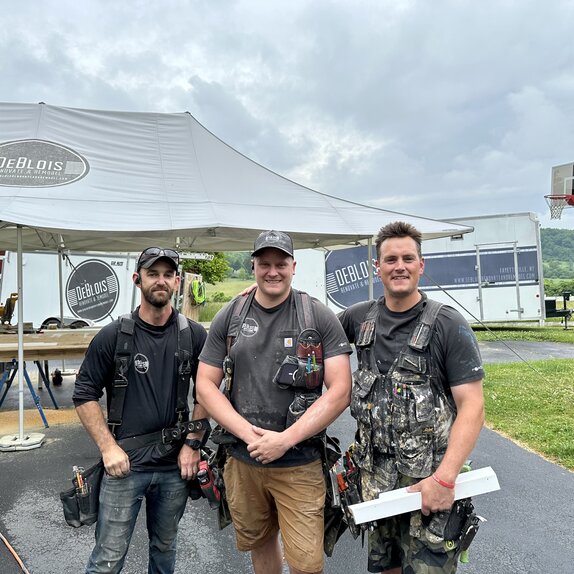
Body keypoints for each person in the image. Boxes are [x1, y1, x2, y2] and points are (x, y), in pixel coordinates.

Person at [196, 230, 352, 574]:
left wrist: (285, 440)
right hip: (242, 460)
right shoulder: (231, 315)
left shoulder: (317, 316)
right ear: (253, 266)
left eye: (280, 263)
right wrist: (249, 435)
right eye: (264, 263)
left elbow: (341, 390)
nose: (272, 271)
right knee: (261, 545)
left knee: (306, 564)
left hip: (300, 463)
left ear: (293, 266)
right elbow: (205, 386)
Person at [338, 221, 485, 574]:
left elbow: (473, 407)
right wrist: (262, 295)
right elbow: (311, 331)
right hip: (378, 484)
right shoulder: (358, 319)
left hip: (431, 487)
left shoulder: (447, 324)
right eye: (390, 259)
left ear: (422, 265)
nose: (399, 266)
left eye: (407, 258)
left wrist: (445, 479)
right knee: (385, 569)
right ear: (377, 267)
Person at [73, 247, 208, 574]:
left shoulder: (193, 335)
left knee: (164, 550)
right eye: (152, 273)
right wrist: (108, 449)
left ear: (177, 282)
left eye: (167, 275)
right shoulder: (113, 336)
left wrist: (192, 446)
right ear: (137, 279)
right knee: (108, 557)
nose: (160, 281)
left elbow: (207, 392)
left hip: (174, 467)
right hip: (124, 468)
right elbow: (84, 393)